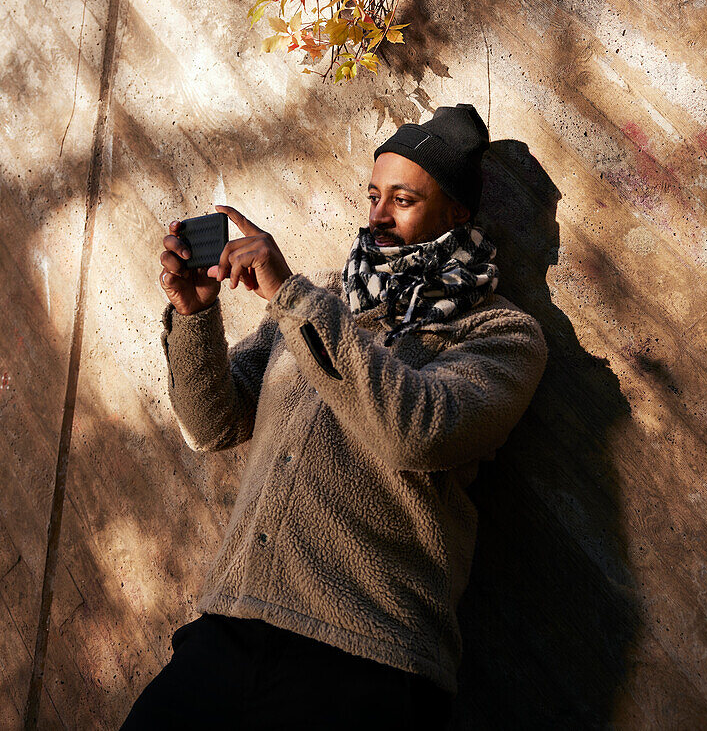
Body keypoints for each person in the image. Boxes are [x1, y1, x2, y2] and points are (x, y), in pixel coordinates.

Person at [121, 104, 548, 730]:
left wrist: (292, 297)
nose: (377, 215)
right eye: (373, 195)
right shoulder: (327, 297)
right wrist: (194, 317)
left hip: (365, 664)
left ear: (458, 212)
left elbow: (419, 432)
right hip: (229, 632)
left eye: (402, 200)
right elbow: (210, 427)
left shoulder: (500, 334)